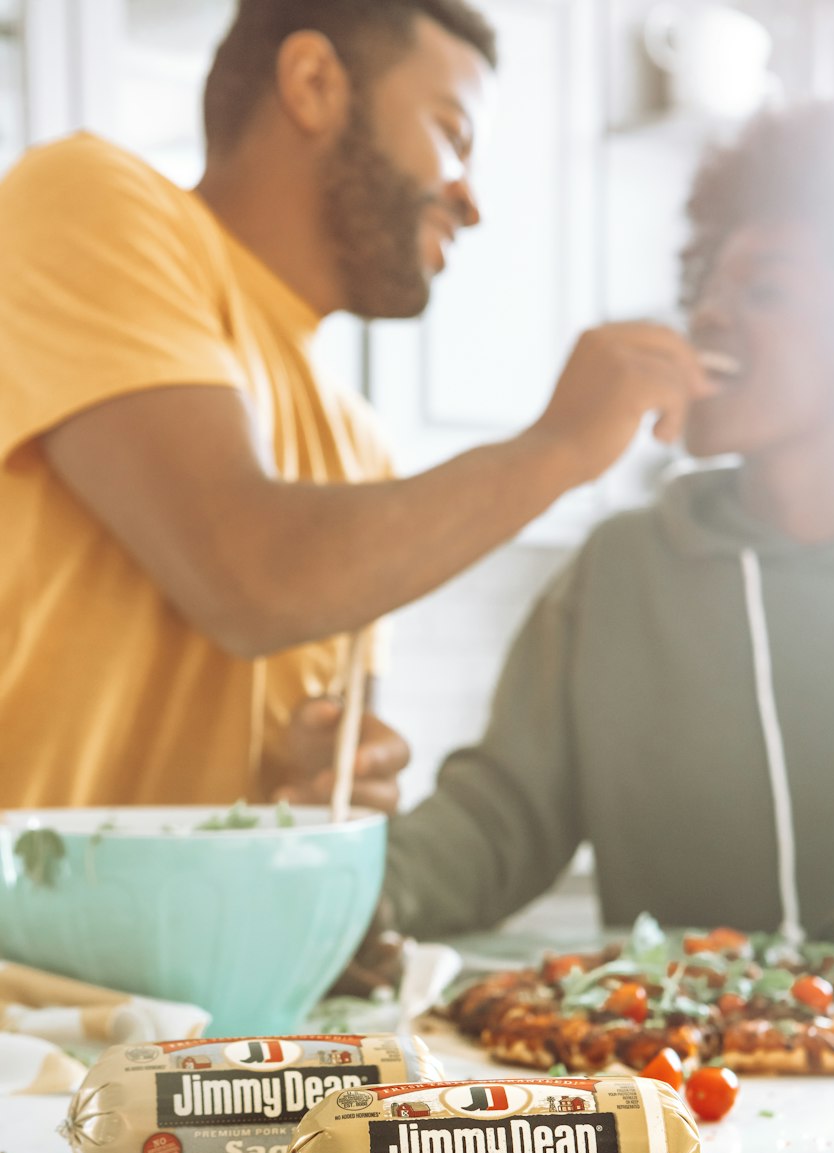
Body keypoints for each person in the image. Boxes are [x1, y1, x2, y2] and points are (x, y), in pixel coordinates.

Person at [0, 0, 710, 812]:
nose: (470, 199)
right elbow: (252, 576)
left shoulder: (361, 453)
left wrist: (327, 780)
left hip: (194, 939)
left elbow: (306, 764)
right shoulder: (86, 200)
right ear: (313, 84)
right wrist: (557, 448)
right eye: (452, 133)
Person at [380, 96, 834, 966]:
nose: (709, 314)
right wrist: (345, 886)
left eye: (765, 289)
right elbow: (497, 822)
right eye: (705, 285)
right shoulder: (623, 570)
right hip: (683, 1083)